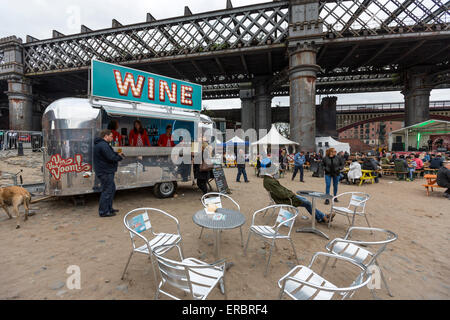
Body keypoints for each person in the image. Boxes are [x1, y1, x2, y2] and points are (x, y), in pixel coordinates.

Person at [262, 161, 334, 223]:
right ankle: (322, 217)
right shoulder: (270, 181)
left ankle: (322, 217)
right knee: (308, 203)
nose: (276, 171)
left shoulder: (267, 179)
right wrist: (291, 194)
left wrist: (289, 193)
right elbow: (282, 194)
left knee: (306, 201)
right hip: (286, 199)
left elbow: (280, 191)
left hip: (285, 197)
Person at [93, 130, 124, 218]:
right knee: (107, 191)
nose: (112, 138)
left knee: (111, 189)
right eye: (111, 136)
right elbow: (111, 157)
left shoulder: (103, 144)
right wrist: (119, 156)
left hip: (105, 171)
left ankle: (109, 208)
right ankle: (103, 212)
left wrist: (116, 153)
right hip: (105, 172)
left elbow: (109, 154)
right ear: (106, 136)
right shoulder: (103, 145)